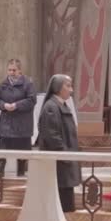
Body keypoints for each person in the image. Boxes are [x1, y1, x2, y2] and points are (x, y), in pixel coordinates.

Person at [36, 74, 80, 213]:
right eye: (68, 86)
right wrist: (65, 153)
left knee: (66, 200)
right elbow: (52, 136)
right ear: (57, 88)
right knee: (61, 204)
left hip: (65, 161)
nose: (71, 90)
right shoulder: (51, 107)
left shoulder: (61, 105)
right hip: (59, 162)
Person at [0, 59, 37, 176]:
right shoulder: (3, 85)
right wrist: (4, 105)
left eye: (14, 70)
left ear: (20, 71)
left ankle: (21, 174)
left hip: (22, 126)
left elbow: (32, 100)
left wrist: (16, 105)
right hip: (6, 125)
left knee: (22, 155)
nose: (11, 72)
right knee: (2, 153)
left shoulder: (28, 84)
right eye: (9, 70)